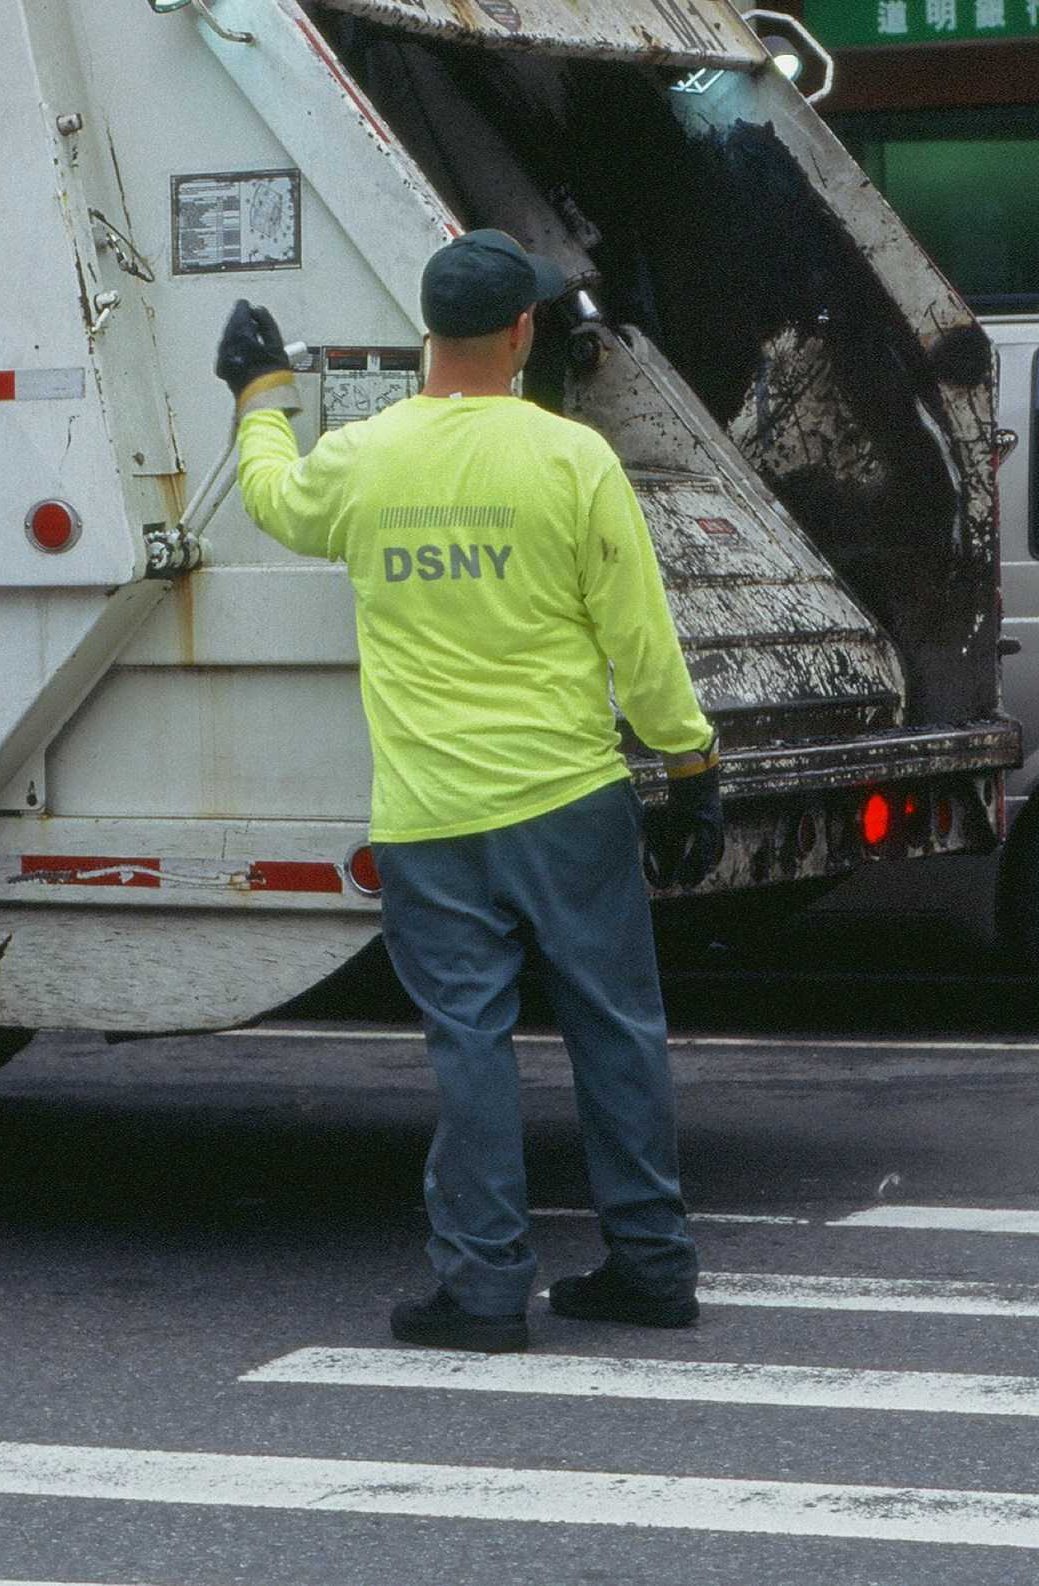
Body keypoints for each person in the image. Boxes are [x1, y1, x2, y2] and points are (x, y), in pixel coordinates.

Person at [215, 226, 726, 1352]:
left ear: (427, 333)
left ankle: (484, 1287)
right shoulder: (569, 458)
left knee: (470, 1043)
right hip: (568, 801)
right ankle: (650, 1265)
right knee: (617, 1032)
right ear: (521, 331)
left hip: (430, 816)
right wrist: (688, 765)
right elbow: (636, 640)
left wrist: (258, 391)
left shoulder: (364, 456)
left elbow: (273, 498)